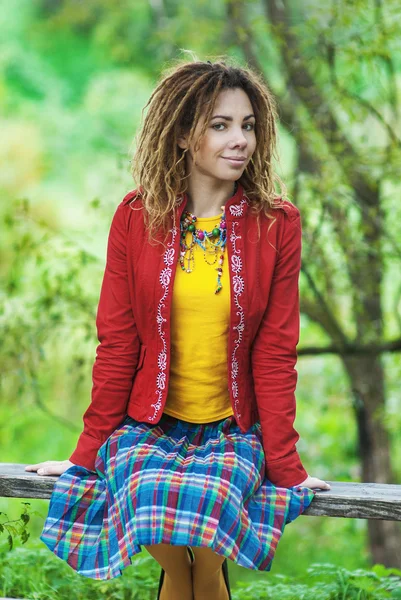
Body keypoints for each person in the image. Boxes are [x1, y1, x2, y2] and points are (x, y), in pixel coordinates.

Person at [25, 57, 330, 600]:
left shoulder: (276, 224)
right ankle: (190, 574)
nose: (241, 140)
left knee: (209, 519)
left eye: (248, 125)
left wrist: (285, 463)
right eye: (221, 125)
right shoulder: (136, 219)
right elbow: (118, 345)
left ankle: (200, 575)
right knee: (144, 498)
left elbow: (277, 351)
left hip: (233, 433)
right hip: (151, 427)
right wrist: (86, 454)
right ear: (184, 135)